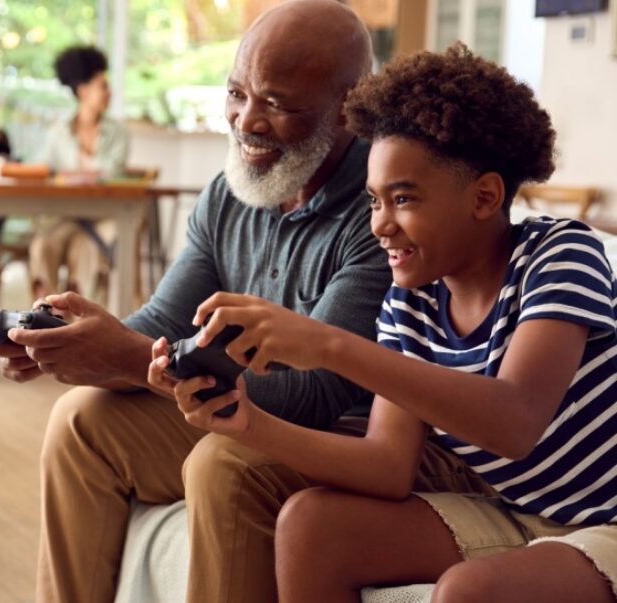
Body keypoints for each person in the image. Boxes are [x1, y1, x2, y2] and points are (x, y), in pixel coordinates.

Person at [0, 5, 496, 603]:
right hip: (253, 410)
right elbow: (163, 323)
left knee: (225, 463)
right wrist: (73, 343)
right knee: (81, 420)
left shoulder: (387, 218)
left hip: (342, 435)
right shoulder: (228, 196)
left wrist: (126, 358)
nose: (246, 120)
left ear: (348, 107)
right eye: (235, 92)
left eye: (277, 104)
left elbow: (317, 396)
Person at [150, 43, 617, 603]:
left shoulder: (559, 255)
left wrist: (328, 345)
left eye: (403, 199)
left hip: (609, 520)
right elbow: (388, 466)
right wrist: (246, 423)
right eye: (374, 202)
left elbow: (515, 420)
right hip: (521, 510)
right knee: (310, 527)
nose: (381, 226)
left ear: (485, 196)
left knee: (468, 592)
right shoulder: (411, 301)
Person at [29, 45, 130, 300]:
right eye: (103, 86)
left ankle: (76, 320)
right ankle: (46, 313)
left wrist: (69, 175)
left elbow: (113, 173)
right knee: (43, 245)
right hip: (66, 215)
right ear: (83, 90)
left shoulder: (118, 133)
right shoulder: (59, 131)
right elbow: (41, 168)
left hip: (103, 217)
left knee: (86, 249)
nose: (110, 92)